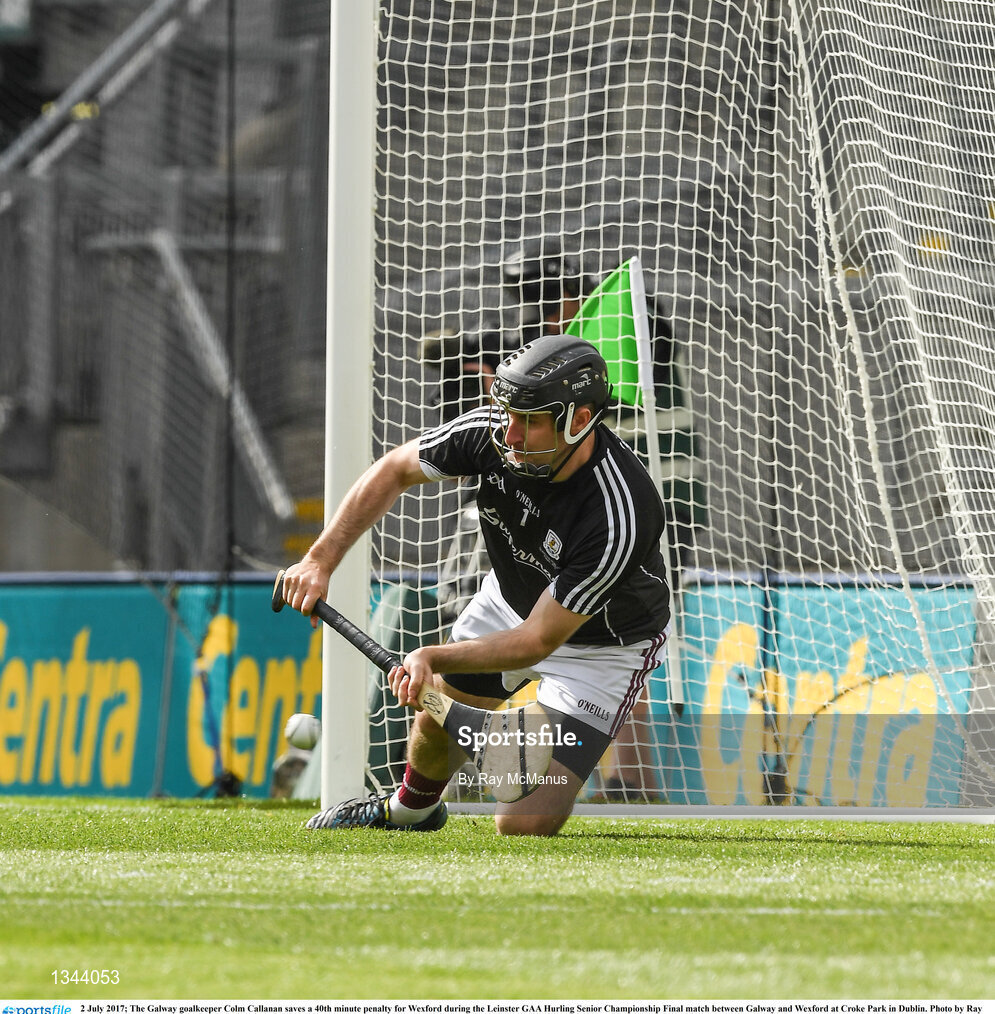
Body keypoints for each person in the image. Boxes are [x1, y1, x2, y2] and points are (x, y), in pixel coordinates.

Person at [280, 334, 672, 836]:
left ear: (579, 420)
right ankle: (411, 812)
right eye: (508, 415)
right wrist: (319, 560)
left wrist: (431, 657)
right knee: (438, 709)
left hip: (600, 648)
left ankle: (536, 734)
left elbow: (538, 640)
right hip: (510, 601)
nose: (510, 435)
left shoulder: (619, 513)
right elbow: (395, 469)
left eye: (530, 422)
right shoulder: (493, 434)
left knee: (522, 823)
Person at [503, 237, 707, 801]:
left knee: (620, 638)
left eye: (552, 299)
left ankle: (632, 778)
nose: (544, 316)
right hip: (597, 516)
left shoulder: (631, 323)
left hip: (654, 507)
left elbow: (643, 336)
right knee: (574, 636)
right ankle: (612, 778)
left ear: (577, 289)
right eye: (533, 303)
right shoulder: (553, 350)